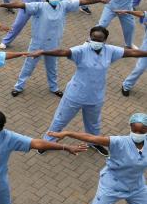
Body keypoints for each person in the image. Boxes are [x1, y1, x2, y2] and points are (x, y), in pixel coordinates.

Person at [37, 26, 147, 157]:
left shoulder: (110, 51)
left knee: (93, 124)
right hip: (75, 95)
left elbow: (131, 53)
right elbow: (63, 52)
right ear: (89, 37)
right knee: (60, 120)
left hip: (95, 97)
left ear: (105, 40)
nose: (96, 41)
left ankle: (94, 142)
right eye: (93, 38)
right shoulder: (82, 50)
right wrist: (43, 52)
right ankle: (47, 141)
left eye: (99, 39)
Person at [0, 0, 109, 97]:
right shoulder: (39, 6)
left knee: (52, 67)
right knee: (29, 65)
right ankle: (18, 86)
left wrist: (99, 0)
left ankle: (54, 87)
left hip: (54, 43)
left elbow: (83, 1)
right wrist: (1, 4)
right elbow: (21, 5)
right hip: (38, 43)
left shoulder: (64, 5)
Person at [48, 113, 147, 204]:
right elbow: (91, 138)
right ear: (130, 128)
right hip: (112, 185)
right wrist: (68, 133)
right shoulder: (119, 142)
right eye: (135, 130)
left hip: (136, 186)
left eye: (142, 131)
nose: (137, 134)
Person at [120, 11, 147, 97]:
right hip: (145, 52)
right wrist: (128, 11)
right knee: (140, 68)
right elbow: (142, 14)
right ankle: (126, 85)